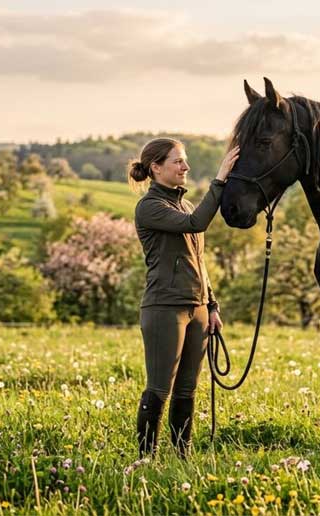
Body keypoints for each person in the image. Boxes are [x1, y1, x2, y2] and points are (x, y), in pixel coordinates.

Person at [128, 137, 240, 457]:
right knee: (160, 388)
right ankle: (146, 458)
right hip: (165, 308)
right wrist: (219, 179)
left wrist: (212, 305)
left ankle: (182, 456)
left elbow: (198, 261)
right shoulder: (150, 207)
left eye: (185, 160)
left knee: (187, 389)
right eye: (178, 161)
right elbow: (197, 223)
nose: (185, 167)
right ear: (156, 168)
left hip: (199, 308)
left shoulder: (185, 204)